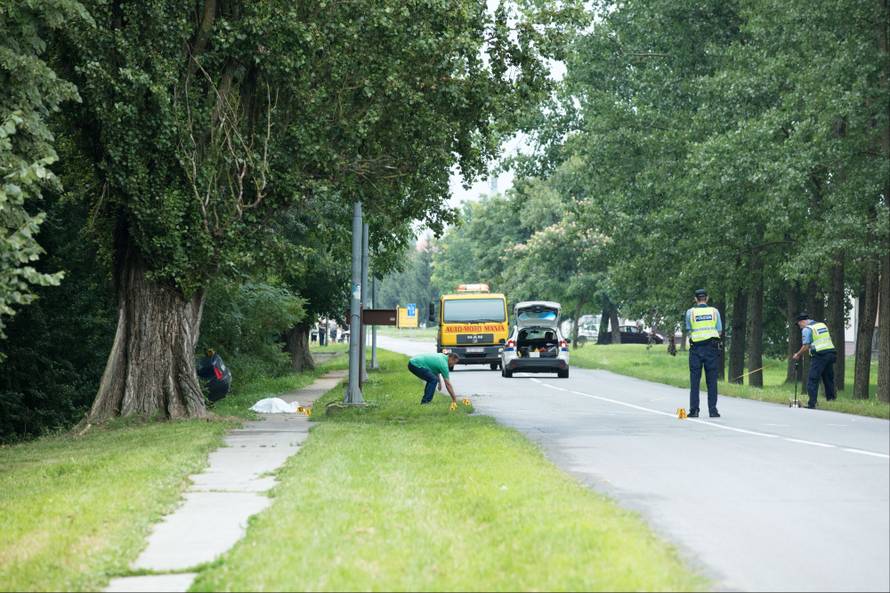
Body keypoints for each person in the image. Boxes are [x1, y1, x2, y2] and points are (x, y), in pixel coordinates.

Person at [685, 288, 723, 418]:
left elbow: (689, 331)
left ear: (695, 299)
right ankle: (713, 410)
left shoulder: (690, 313)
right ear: (707, 298)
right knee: (712, 381)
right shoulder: (714, 312)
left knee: (694, 381)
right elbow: (719, 331)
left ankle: (694, 410)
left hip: (696, 349)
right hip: (711, 349)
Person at [792, 313, 837, 409]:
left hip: (819, 355)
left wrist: (798, 354)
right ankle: (831, 401)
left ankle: (812, 403)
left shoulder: (807, 329)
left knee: (813, 379)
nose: (800, 327)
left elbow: (806, 346)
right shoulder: (822, 325)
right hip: (831, 353)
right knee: (828, 378)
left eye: (799, 325)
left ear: (802, 321)